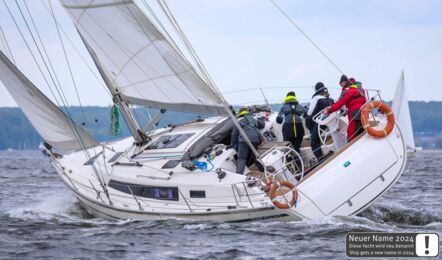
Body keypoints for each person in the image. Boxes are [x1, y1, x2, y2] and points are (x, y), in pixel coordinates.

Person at [325, 75, 367, 141]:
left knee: (351, 133)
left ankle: (352, 149)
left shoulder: (348, 90)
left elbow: (340, 103)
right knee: (361, 131)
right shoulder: (360, 88)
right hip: (364, 112)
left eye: (341, 84)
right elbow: (365, 101)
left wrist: (329, 110)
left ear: (344, 82)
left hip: (354, 113)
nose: (341, 86)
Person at [231, 107, 265, 174]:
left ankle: (239, 176)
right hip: (255, 140)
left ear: (240, 113)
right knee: (255, 158)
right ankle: (263, 171)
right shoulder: (253, 118)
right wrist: (262, 118)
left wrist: (232, 144)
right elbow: (261, 125)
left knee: (242, 159)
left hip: (244, 141)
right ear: (247, 112)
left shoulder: (238, 120)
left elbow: (234, 134)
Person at [306, 82, 334, 159]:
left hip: (321, 121)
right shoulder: (330, 98)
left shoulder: (316, 98)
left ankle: (320, 157)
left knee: (314, 140)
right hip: (331, 120)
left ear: (316, 89)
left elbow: (310, 112)